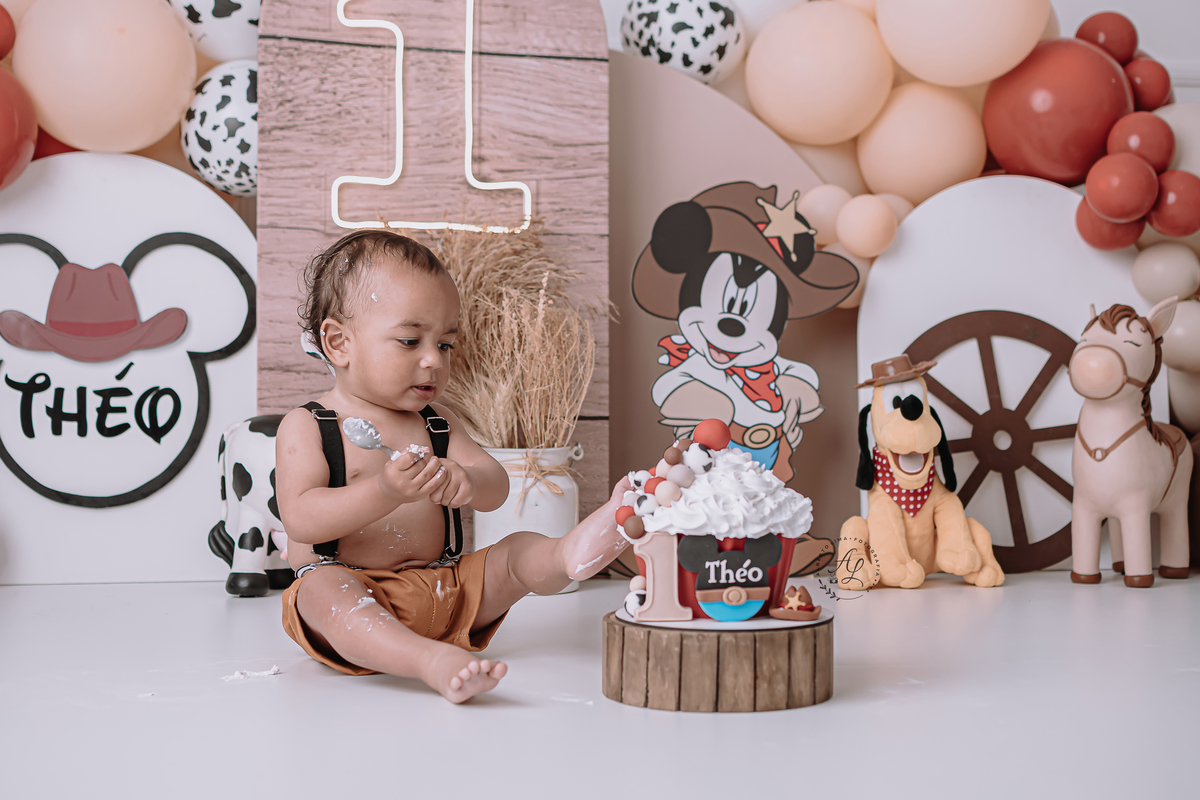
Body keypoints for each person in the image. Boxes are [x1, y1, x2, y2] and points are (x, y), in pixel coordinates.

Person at [275, 230, 630, 703]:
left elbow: (496, 486)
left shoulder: (437, 423)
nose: (432, 360)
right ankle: (428, 660)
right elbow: (301, 519)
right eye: (409, 341)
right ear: (339, 343)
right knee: (320, 590)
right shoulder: (309, 426)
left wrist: (467, 479)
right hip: (357, 596)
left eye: (444, 344)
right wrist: (384, 491)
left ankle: (570, 554)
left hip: (446, 588)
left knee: (514, 551)